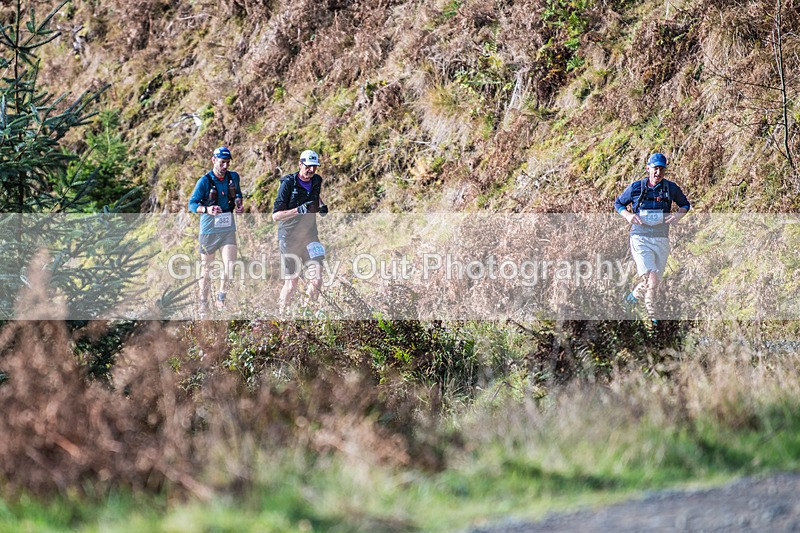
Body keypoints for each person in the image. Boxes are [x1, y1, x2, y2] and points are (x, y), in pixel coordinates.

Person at [614, 152, 690, 324]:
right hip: (640, 237)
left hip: (661, 237)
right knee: (652, 276)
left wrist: (678, 216)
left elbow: (685, 204)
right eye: (655, 169)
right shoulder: (636, 188)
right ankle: (653, 318)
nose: (658, 173)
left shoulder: (670, 188)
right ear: (648, 168)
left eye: (662, 169)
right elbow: (618, 203)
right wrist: (627, 216)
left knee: (654, 281)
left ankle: (630, 299)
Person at [188, 146, 244, 317]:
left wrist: (240, 204)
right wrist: (207, 210)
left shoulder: (233, 177)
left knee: (230, 265)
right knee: (207, 270)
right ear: (213, 160)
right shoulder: (204, 181)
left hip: (227, 228)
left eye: (227, 162)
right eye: (222, 162)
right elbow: (192, 205)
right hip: (209, 231)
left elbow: (238, 195)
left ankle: (221, 297)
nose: (225, 166)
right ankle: (203, 303)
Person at [272, 149, 328, 314]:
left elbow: (314, 194)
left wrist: (321, 204)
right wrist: (299, 210)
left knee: (317, 280)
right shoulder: (288, 184)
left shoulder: (316, 180)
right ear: (300, 164)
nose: (311, 170)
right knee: (292, 283)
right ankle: (281, 317)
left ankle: (307, 313)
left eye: (314, 167)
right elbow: (276, 216)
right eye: (308, 166)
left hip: (310, 236)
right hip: (289, 238)